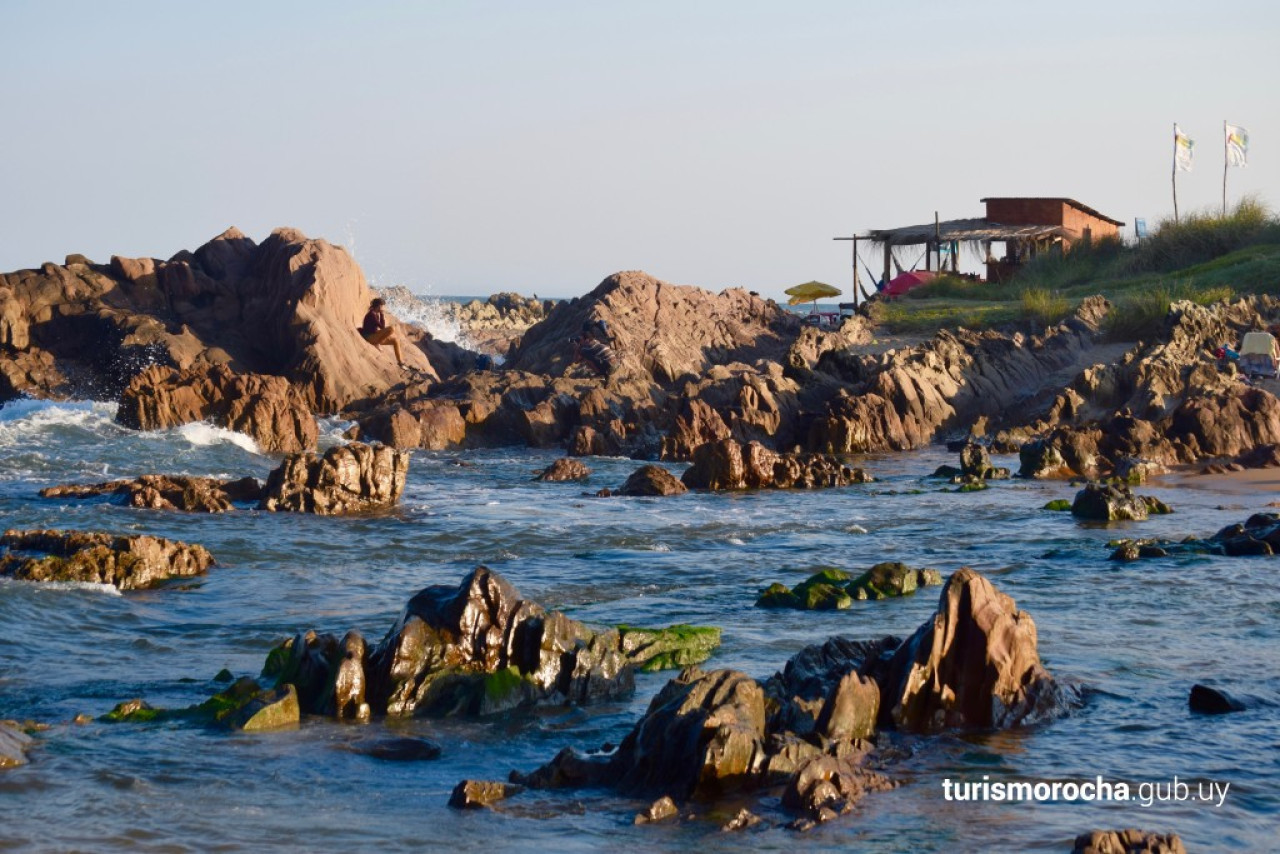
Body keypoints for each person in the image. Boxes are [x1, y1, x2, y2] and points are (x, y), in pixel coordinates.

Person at [359, 298, 404, 366]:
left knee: (396, 340)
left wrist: (380, 315)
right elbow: (382, 327)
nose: (383, 308)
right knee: (392, 328)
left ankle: (400, 362)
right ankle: (377, 343)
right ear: (379, 306)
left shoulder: (376, 314)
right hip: (370, 337)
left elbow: (381, 326)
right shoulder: (372, 314)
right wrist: (382, 315)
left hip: (374, 335)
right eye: (382, 306)